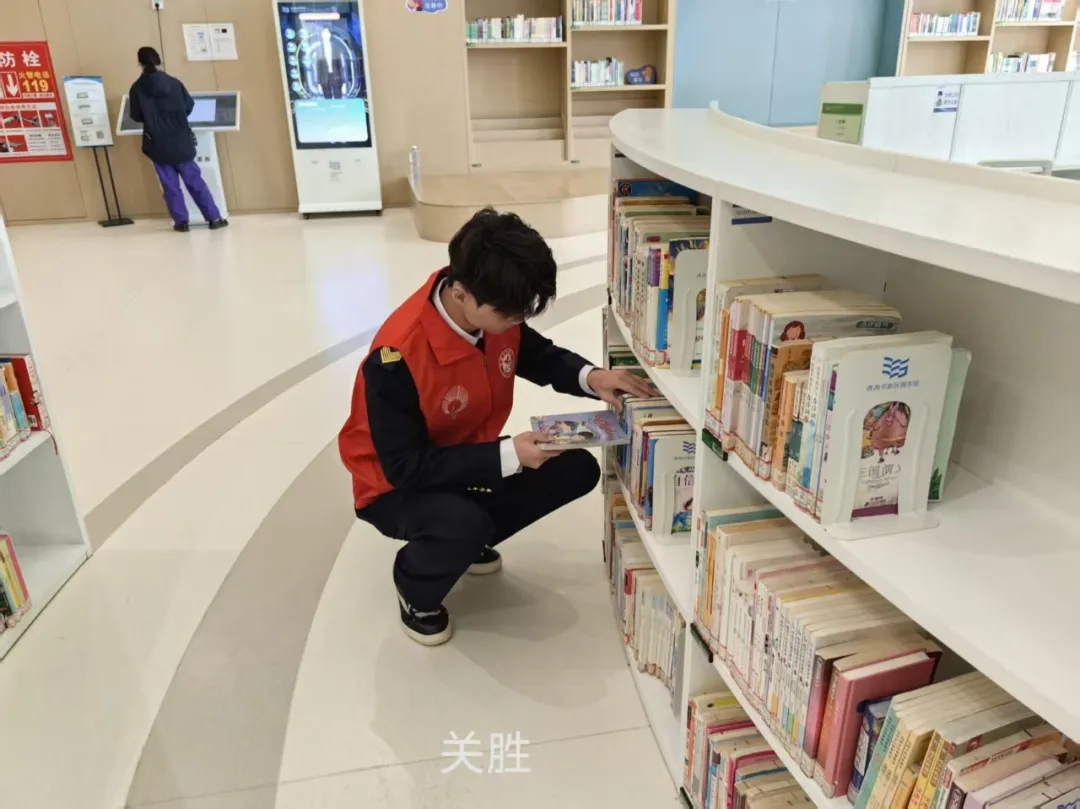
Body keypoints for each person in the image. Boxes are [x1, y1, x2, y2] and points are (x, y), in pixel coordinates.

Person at [339, 208, 656, 646]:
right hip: (394, 485)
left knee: (576, 469)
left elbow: (537, 355)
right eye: (509, 313)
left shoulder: (493, 306)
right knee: (463, 523)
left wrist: (592, 377)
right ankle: (416, 587)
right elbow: (405, 467)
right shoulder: (396, 358)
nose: (516, 322)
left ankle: (464, 539)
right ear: (462, 294)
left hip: (467, 457)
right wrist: (508, 454)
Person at [128, 47, 228, 232]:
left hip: (156, 143)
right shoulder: (174, 83)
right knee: (195, 182)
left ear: (139, 63)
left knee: (170, 186)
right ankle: (214, 218)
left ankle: (181, 223)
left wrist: (153, 119)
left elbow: (136, 115)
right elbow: (188, 106)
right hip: (181, 141)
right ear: (159, 61)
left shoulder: (136, 89)